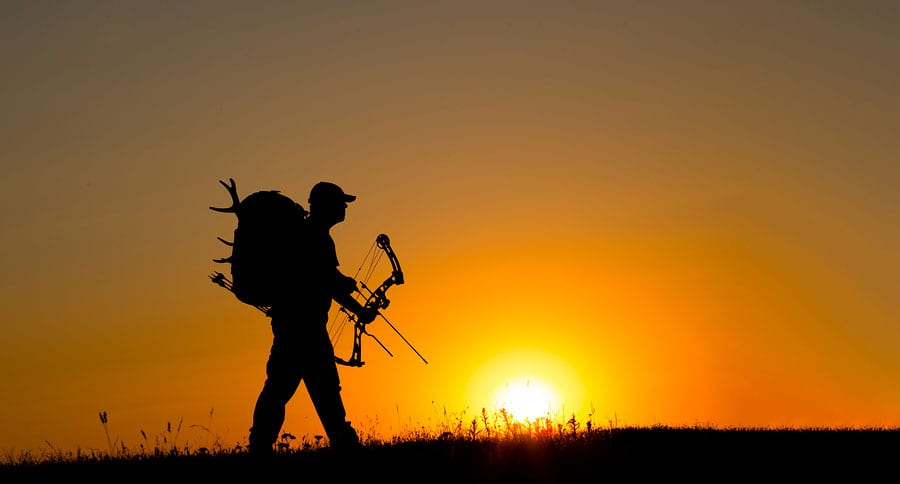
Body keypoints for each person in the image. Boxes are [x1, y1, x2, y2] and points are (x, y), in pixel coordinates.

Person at [248, 181, 376, 457]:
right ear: (324, 205)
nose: (344, 207)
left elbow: (326, 280)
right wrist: (357, 306)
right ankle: (342, 444)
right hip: (303, 330)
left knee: (283, 389)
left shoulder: (311, 236)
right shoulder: (314, 237)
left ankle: (259, 447)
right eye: (340, 202)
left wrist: (350, 296)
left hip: (294, 328)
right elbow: (325, 280)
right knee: (316, 389)